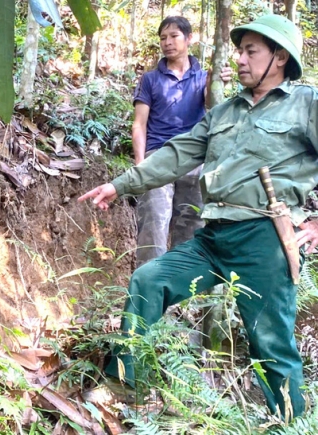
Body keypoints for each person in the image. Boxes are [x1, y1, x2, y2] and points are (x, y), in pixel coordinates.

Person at [79, 14, 318, 419]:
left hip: (265, 240)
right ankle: (124, 387)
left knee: (271, 344)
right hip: (214, 237)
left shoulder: (305, 103)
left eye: (251, 51)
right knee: (149, 280)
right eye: (240, 50)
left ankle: (292, 424)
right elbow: (177, 153)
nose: (239, 59)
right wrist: (121, 184)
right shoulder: (225, 112)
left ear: (279, 57)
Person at [132, 16, 232, 266]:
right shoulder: (150, 79)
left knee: (191, 227)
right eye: (163, 38)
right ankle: (149, 292)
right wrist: (140, 165)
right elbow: (139, 124)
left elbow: (211, 105)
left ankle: (183, 297)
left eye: (174, 36)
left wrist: (215, 83)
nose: (167, 42)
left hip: (194, 159)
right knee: (153, 224)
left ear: (189, 39)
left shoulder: (204, 77)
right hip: (159, 157)